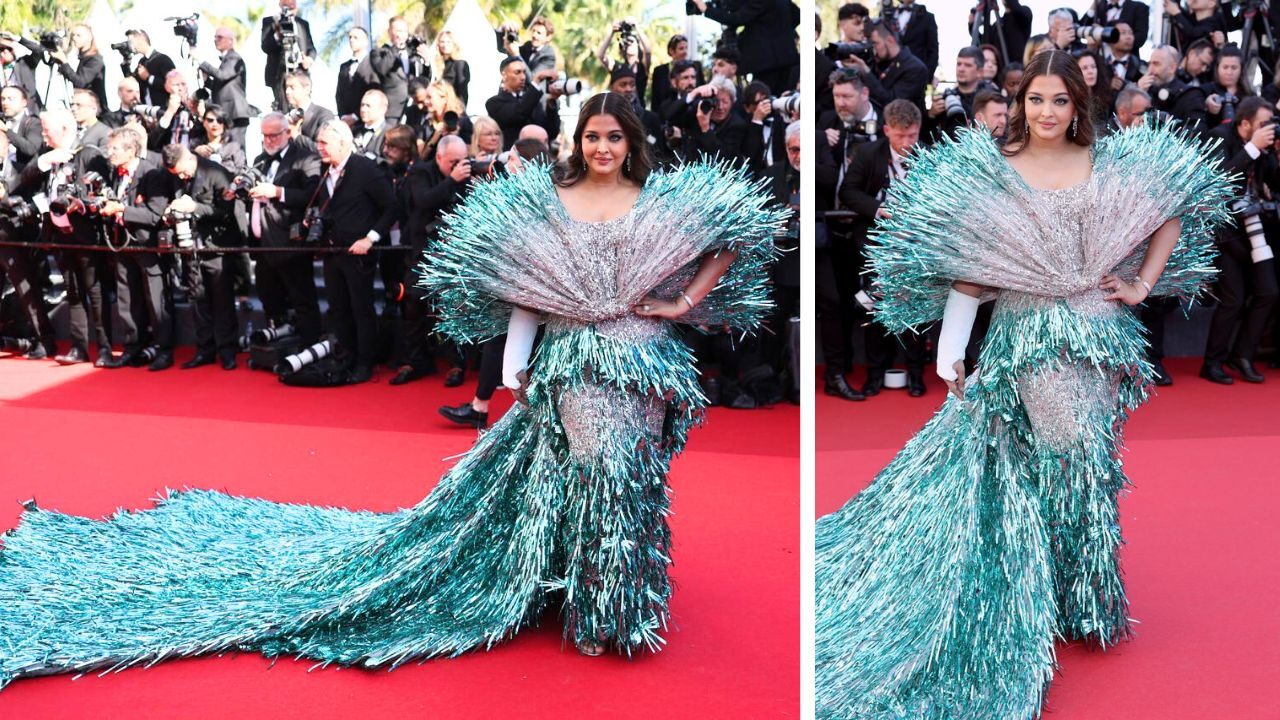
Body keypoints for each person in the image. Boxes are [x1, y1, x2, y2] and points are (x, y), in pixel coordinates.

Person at [0, 92, 782, 675]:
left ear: (633, 141)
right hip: (576, 365)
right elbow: (517, 287)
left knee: (637, 480)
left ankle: (632, 603)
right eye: (593, 136)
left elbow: (739, 235)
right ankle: (598, 606)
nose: (604, 146)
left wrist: (682, 300)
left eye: (615, 136)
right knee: (599, 473)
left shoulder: (662, 200)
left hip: (646, 358)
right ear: (578, 142)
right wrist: (516, 365)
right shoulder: (551, 202)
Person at [816, 49, 1232, 719]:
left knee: (1088, 465)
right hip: (1029, 341)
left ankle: (1072, 592)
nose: (1044, 112)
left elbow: (1171, 208)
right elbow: (974, 272)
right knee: (1072, 459)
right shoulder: (998, 175)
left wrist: (1142, 285)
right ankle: (1070, 595)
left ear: (1078, 106)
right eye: (1033, 100)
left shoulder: (1109, 163)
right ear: (1017, 106)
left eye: (1058, 100)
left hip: (1103, 338)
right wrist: (952, 348)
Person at [10, 109, 112, 366]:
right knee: (73, 293)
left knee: (96, 293)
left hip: (87, 235)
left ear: (65, 129)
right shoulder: (48, 155)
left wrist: (80, 201)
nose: (43, 135)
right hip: (58, 235)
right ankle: (79, 347)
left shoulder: (88, 153)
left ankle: (105, 348)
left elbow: (102, 191)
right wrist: (45, 162)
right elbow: (23, 181)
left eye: (47, 130)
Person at [841, 99, 928, 397]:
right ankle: (876, 373)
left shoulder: (929, 155)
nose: (907, 143)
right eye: (901, 136)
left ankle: (916, 373)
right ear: (887, 130)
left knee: (915, 311)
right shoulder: (868, 153)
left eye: (912, 136)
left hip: (916, 246)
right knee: (875, 311)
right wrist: (879, 209)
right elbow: (848, 191)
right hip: (877, 245)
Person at [308, 119, 395, 383]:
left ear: (343, 143)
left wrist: (370, 238)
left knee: (361, 309)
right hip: (333, 252)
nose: (319, 147)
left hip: (359, 255)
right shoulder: (325, 172)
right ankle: (345, 357)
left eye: (324, 143)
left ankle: (365, 362)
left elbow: (392, 207)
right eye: (319, 142)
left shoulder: (365, 169)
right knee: (338, 309)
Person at [1201, 96, 1279, 384]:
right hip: (1225, 233)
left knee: (1269, 291)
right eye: (1263, 124)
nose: (1268, 129)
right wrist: (1252, 148)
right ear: (1245, 124)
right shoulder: (1220, 137)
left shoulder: (1265, 148)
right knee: (1232, 299)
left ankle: (1242, 355)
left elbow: (1274, 182)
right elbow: (1219, 182)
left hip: (1257, 234)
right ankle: (1212, 363)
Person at [96, 127, 176, 371]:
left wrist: (120, 210)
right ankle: (132, 346)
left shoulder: (151, 173)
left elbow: (156, 215)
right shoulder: (116, 174)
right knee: (126, 297)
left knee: (156, 300)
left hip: (148, 246)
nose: (109, 153)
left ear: (131, 150)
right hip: (122, 243)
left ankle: (164, 349)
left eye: (115, 149)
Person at [161, 144, 242, 369]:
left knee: (222, 301)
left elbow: (226, 213)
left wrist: (193, 207)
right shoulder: (176, 177)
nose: (183, 177)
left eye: (183, 172)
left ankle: (228, 350)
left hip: (216, 246)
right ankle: (205, 349)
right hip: (189, 247)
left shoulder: (215, 172)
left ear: (189, 158)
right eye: (177, 175)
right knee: (197, 300)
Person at [246, 112, 323, 347]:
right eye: (264, 136)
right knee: (268, 295)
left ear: (287, 133)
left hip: (291, 242)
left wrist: (278, 192)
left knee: (302, 298)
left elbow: (312, 195)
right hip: (263, 243)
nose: (268, 140)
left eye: (274, 135)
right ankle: (277, 342)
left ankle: (310, 347)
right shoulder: (260, 158)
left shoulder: (306, 158)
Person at [695, 0, 800, 94]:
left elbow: (737, 18)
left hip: (766, 64)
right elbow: (797, 16)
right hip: (788, 60)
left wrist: (706, 9)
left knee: (763, 101)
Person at [842, 20, 929, 113]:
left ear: (890, 40)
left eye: (875, 43)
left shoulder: (915, 69)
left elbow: (892, 104)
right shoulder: (875, 60)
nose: (872, 49)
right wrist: (849, 69)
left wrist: (866, 73)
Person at [18, 24, 108, 111]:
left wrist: (64, 62)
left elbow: (80, 82)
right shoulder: (82, 57)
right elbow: (40, 49)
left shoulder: (95, 60)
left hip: (94, 110)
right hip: (82, 107)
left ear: (89, 38)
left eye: (78, 35)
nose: (74, 38)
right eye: (73, 35)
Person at [485, 56, 563, 149]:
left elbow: (551, 132)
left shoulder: (534, 102)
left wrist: (551, 102)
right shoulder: (493, 103)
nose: (523, 77)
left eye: (524, 72)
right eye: (517, 72)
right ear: (504, 75)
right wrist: (536, 82)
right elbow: (520, 113)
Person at [370, 16, 430, 122]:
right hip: (393, 110)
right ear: (389, 32)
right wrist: (396, 48)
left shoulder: (413, 52)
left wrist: (426, 61)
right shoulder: (380, 52)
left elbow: (425, 78)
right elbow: (382, 69)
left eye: (404, 31)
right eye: (398, 30)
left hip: (415, 107)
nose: (400, 34)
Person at [199, 28, 251, 147]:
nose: (216, 40)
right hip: (228, 113)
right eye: (215, 37)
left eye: (220, 37)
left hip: (235, 114)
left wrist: (202, 62)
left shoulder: (234, 58)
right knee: (228, 149)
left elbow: (222, 76)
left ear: (230, 41)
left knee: (237, 150)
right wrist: (206, 81)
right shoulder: (227, 60)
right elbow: (222, 87)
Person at [261, 0, 316, 110]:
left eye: (293, 7)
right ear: (280, 5)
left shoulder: (302, 24)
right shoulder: (270, 22)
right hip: (278, 73)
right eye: (287, 7)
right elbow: (265, 46)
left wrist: (309, 59)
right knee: (283, 108)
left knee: (302, 107)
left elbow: (311, 48)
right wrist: (277, 34)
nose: (290, 10)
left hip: (300, 70)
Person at [596, 18, 651, 108]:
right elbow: (601, 55)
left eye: (631, 42)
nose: (628, 44)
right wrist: (612, 32)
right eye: (626, 43)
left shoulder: (642, 66)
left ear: (638, 46)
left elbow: (648, 51)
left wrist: (637, 27)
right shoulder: (618, 67)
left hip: (639, 110)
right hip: (620, 108)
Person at [1204, 44, 1255, 128]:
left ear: (1241, 69)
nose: (1229, 72)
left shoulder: (1249, 96)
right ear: (1217, 68)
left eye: (1234, 68)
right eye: (1225, 67)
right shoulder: (1206, 90)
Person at [123, 29, 176, 108]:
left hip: (163, 110)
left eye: (130, 42)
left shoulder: (162, 59)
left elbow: (173, 85)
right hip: (147, 112)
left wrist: (149, 78)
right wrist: (126, 63)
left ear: (140, 40)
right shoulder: (142, 62)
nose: (129, 46)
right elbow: (132, 83)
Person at [651, 34, 703, 114]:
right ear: (671, 51)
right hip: (667, 114)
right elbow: (655, 100)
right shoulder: (659, 71)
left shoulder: (696, 66)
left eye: (686, 48)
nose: (685, 52)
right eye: (681, 48)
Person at [336, 28, 379, 117]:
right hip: (346, 120)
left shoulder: (373, 63)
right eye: (350, 37)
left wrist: (355, 116)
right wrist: (343, 116)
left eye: (356, 37)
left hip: (367, 117)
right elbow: (339, 94)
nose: (352, 40)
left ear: (366, 41)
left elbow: (374, 90)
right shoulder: (344, 66)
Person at [192, 104, 246, 172]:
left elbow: (241, 170)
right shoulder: (195, 144)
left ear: (224, 124)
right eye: (210, 120)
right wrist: (195, 153)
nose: (215, 124)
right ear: (204, 122)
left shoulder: (234, 147)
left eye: (219, 120)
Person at [434, 31, 470, 109]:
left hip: (453, 108)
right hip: (438, 107)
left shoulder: (460, 64)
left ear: (454, 44)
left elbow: (463, 92)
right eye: (442, 42)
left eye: (448, 42)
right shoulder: (436, 64)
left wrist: (460, 111)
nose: (445, 45)